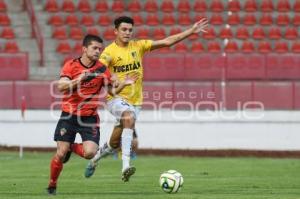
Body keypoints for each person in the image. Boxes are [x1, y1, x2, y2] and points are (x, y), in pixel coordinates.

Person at [84, 16, 209, 182]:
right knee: (128, 117)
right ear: (116, 31)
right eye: (124, 29)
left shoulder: (139, 46)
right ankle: (125, 166)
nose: (127, 33)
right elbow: (100, 67)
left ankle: (94, 161)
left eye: (130, 30)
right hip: (115, 98)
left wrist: (191, 31)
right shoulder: (108, 52)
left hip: (136, 102)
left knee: (114, 143)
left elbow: (166, 42)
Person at [46, 34, 113, 195]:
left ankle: (70, 147)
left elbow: (112, 90)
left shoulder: (102, 69)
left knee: (90, 153)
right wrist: (80, 79)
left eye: (100, 49)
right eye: (94, 48)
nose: (98, 51)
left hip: (89, 117)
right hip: (68, 115)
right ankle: (52, 184)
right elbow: (61, 87)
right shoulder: (71, 65)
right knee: (60, 154)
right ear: (84, 49)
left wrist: (122, 84)